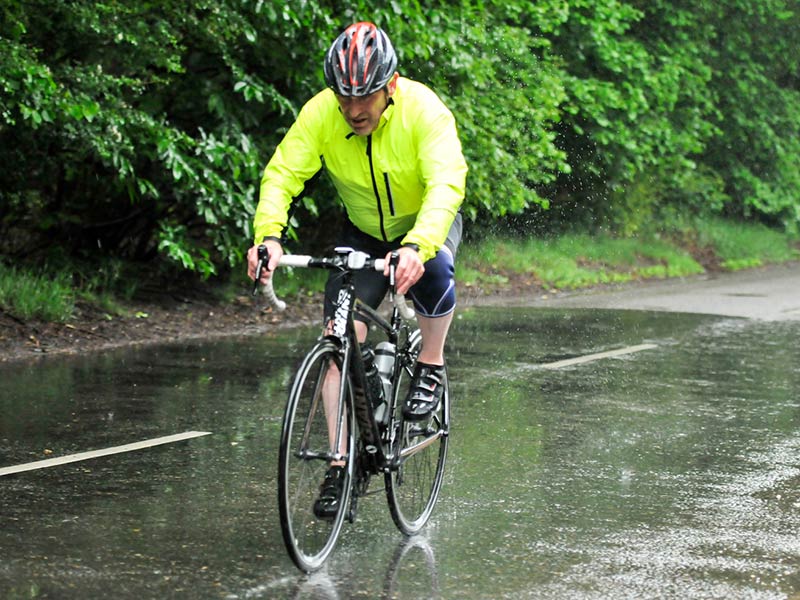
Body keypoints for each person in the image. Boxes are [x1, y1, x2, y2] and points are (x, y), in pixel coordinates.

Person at [247, 21, 467, 517]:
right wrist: (268, 237)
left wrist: (417, 244)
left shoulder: (424, 111)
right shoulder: (322, 114)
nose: (352, 110)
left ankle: (431, 362)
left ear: (389, 86)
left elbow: (447, 184)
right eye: (343, 97)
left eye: (364, 97)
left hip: (428, 220)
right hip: (363, 231)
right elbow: (283, 173)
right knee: (338, 340)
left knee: (434, 271)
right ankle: (340, 464)